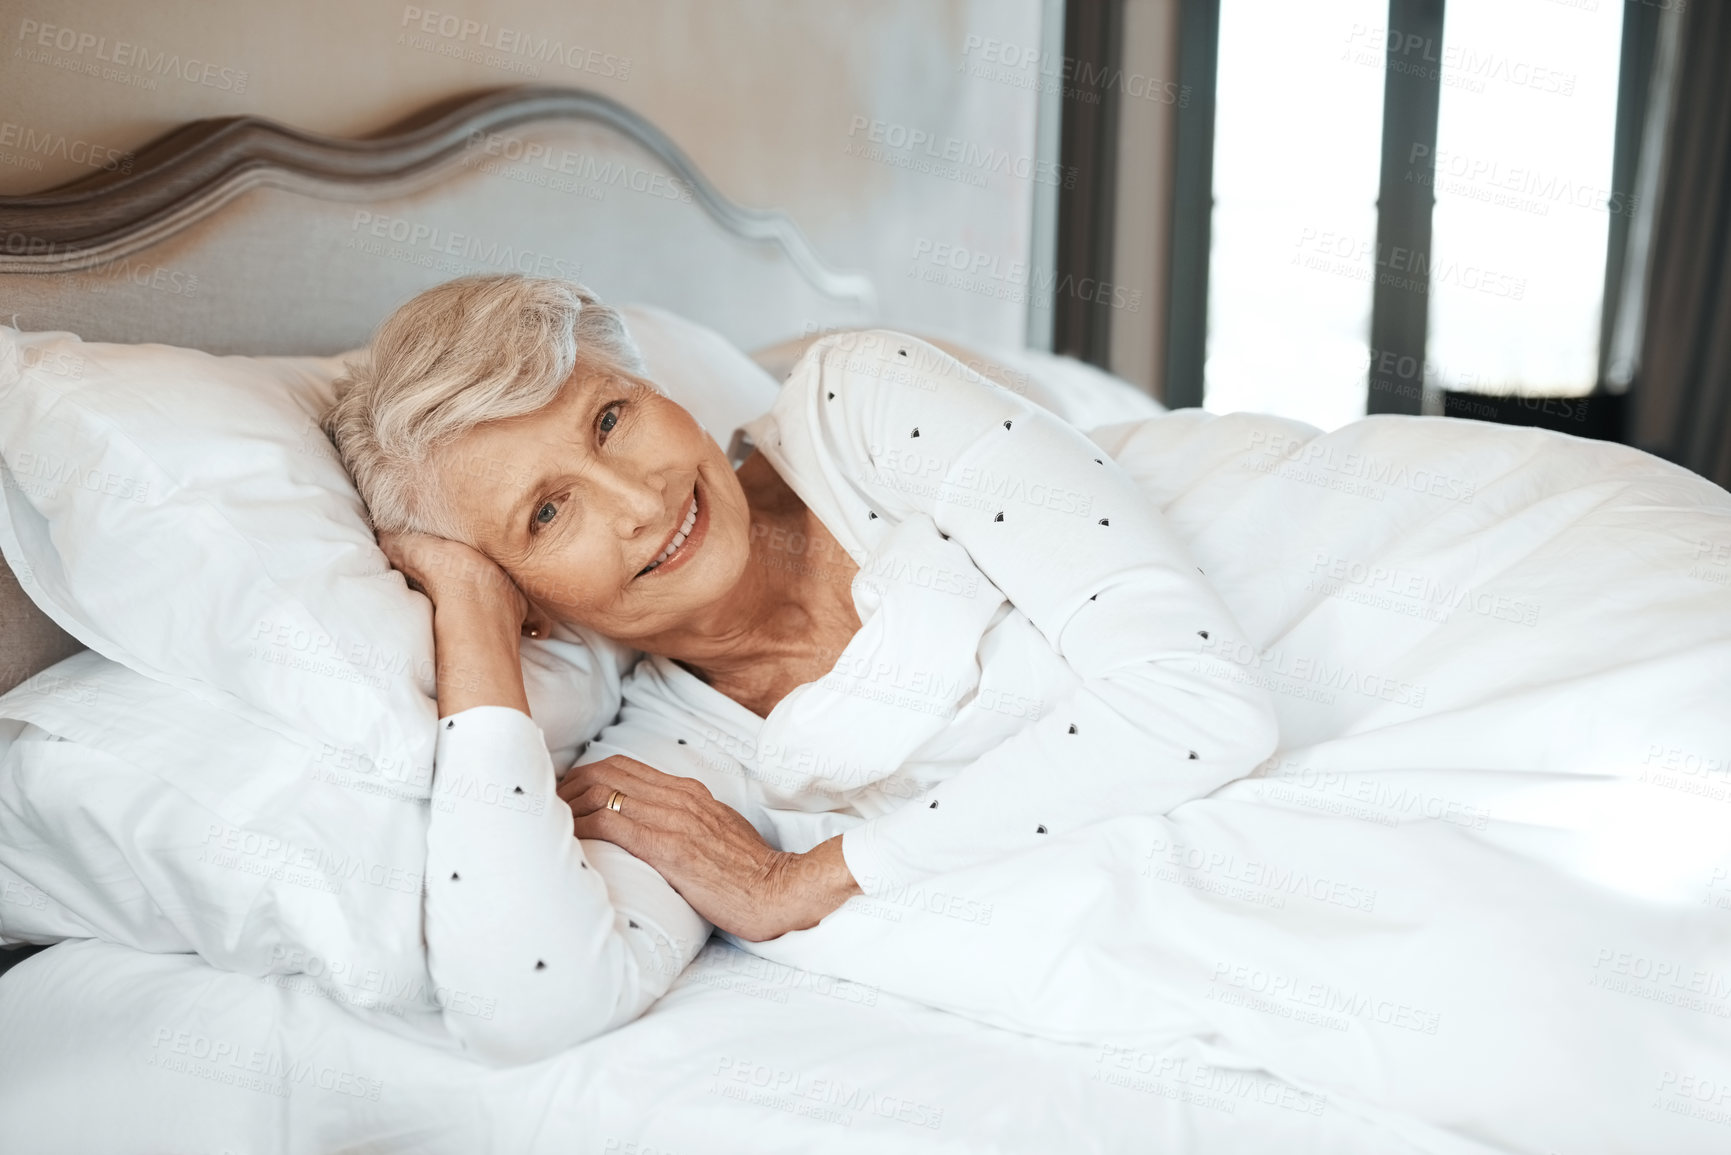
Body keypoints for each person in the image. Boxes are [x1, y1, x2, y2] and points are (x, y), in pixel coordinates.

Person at [323, 273, 1278, 1064]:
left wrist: (805, 878)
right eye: (546, 514)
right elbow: (527, 1008)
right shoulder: (672, 755)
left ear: (656, 388)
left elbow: (1200, 699)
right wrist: (474, 625)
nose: (638, 500)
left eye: (609, 418)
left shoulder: (863, 404)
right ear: (525, 598)